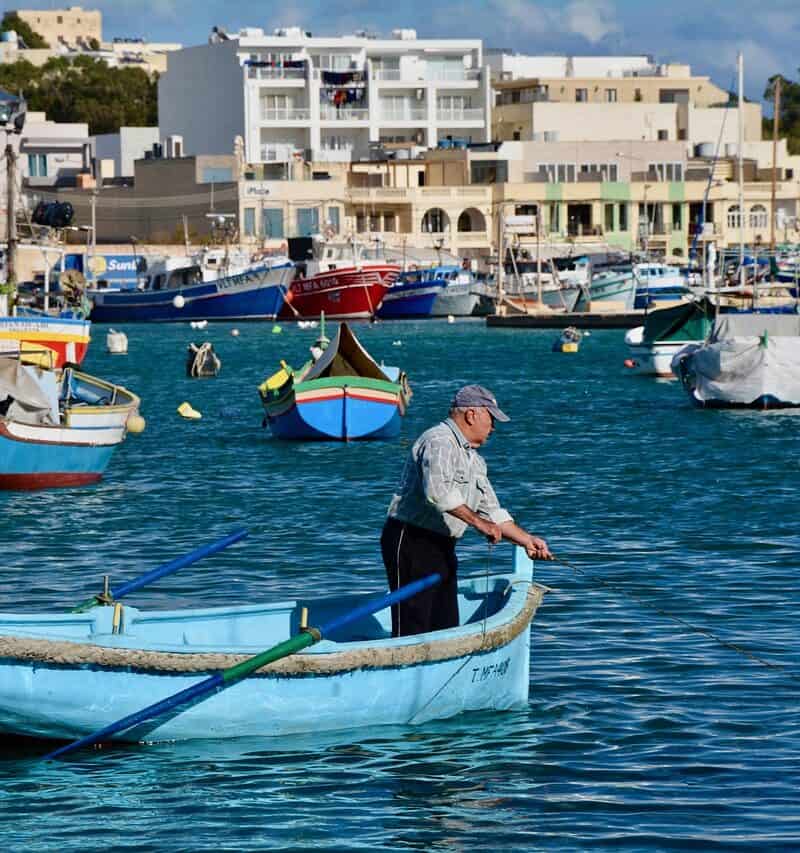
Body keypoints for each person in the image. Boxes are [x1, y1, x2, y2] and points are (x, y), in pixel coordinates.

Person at [381, 384, 553, 637]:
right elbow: (437, 493)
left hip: (442, 544)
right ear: (471, 414)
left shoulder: (474, 459)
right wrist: (479, 525)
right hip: (410, 539)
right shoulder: (438, 441)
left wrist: (527, 540)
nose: (493, 427)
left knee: (445, 623)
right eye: (491, 418)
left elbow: (492, 512)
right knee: (413, 623)